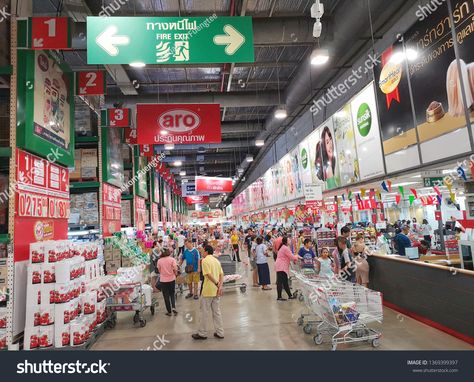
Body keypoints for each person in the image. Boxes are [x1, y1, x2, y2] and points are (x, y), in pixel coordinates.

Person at [192, 245, 224, 340]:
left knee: (204, 313)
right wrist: (220, 286)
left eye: (202, 250)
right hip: (216, 290)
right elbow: (221, 274)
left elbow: (208, 274)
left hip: (207, 290)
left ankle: (202, 333)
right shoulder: (216, 261)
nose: (201, 252)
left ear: (206, 251)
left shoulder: (205, 261)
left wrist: (217, 283)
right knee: (217, 312)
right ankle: (220, 332)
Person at [275, 236, 298, 301]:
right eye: (289, 240)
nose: (290, 241)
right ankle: (279, 297)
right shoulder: (285, 248)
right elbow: (292, 256)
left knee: (284, 282)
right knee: (280, 282)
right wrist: (297, 256)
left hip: (281, 266)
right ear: (286, 242)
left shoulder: (283, 247)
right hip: (281, 266)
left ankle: (290, 295)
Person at [157, 249, 178, 316]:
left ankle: (169, 311)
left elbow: (159, 270)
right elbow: (175, 268)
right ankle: (173, 307)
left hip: (163, 280)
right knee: (172, 294)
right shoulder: (172, 259)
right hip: (172, 279)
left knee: (166, 296)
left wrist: (163, 274)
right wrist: (175, 274)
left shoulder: (159, 261)